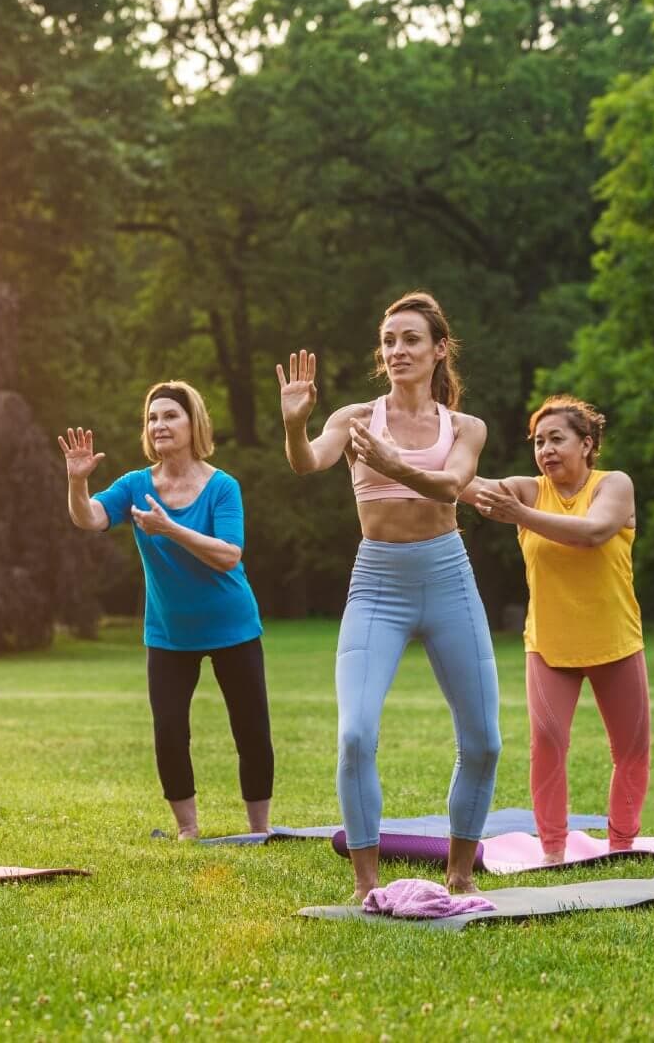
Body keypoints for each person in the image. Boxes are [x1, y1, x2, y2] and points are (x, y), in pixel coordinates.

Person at [278, 291, 500, 897]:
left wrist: (392, 463)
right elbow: (307, 463)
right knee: (354, 735)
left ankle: (460, 871)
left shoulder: (465, 426)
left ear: (438, 350)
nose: (397, 350)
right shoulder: (353, 419)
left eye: (410, 340)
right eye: (389, 341)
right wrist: (296, 423)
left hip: (449, 579)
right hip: (377, 584)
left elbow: (452, 485)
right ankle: (365, 882)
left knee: (484, 740)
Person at [60, 380, 273, 840]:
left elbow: (229, 554)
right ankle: (188, 830)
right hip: (170, 632)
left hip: (232, 623)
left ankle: (260, 830)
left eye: (170, 416)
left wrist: (170, 529)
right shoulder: (136, 485)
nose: (159, 424)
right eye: (152, 418)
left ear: (193, 423)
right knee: (170, 731)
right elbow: (90, 518)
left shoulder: (222, 487)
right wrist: (78, 482)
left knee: (251, 729)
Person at [465, 394, 648, 863]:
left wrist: (520, 517)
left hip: (616, 642)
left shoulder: (615, 485)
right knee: (547, 746)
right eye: (539, 441)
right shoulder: (527, 490)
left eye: (557, 439)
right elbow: (461, 483)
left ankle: (622, 845)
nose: (545, 450)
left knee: (630, 749)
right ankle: (552, 850)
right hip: (549, 645)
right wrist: (402, 450)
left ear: (586, 445)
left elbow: (591, 533)